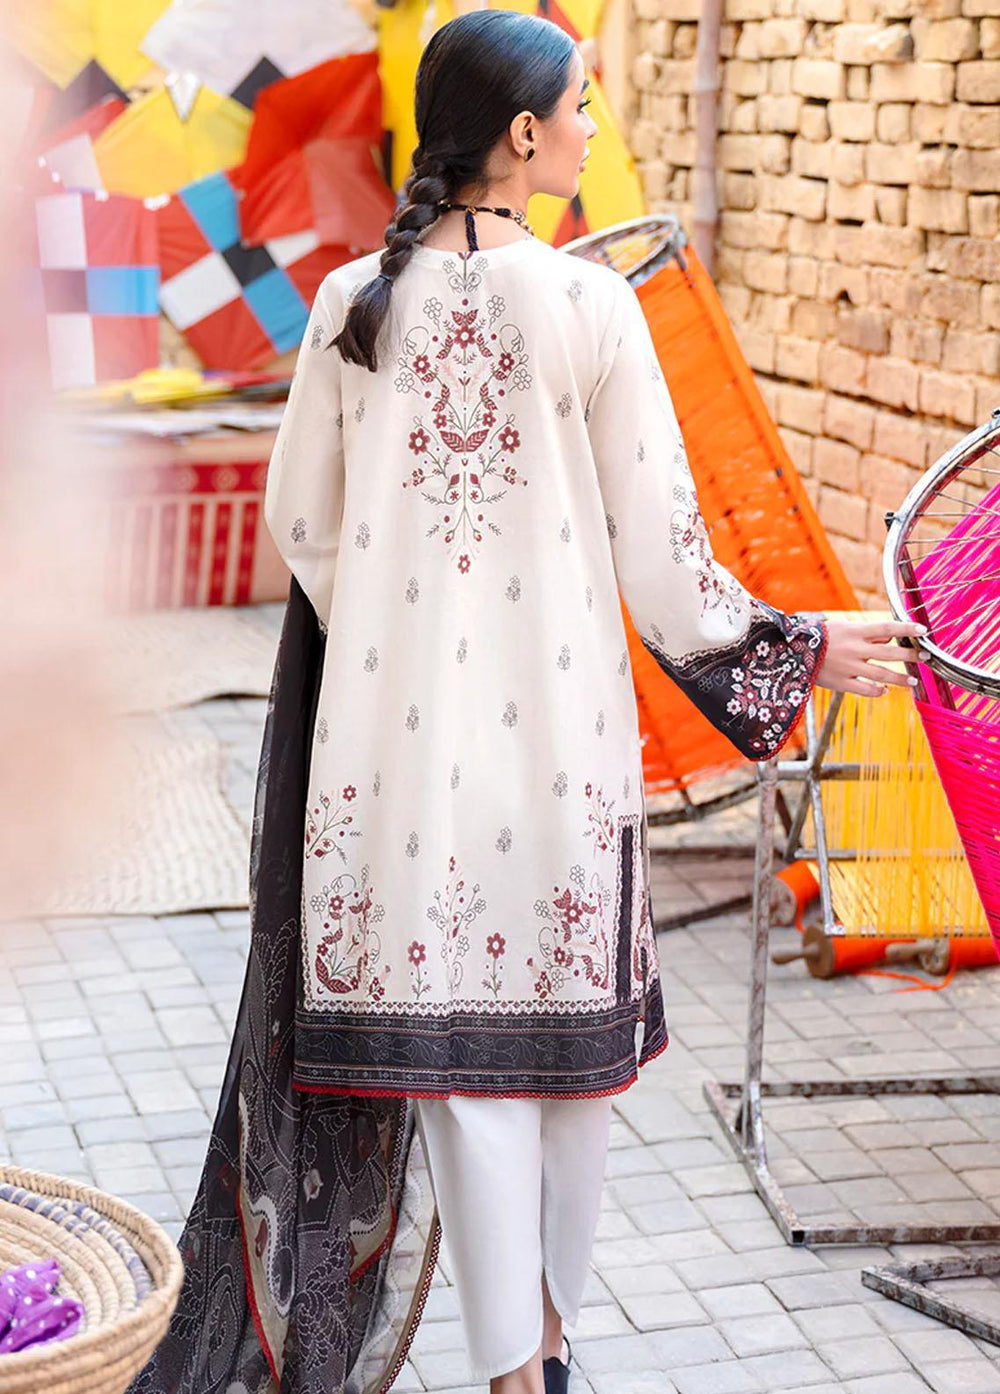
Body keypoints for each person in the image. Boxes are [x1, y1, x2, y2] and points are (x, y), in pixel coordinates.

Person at [127, 12, 924, 1394]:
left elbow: (301, 526)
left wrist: (405, 634)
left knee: (459, 1082)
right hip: (559, 749)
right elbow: (666, 566)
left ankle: (515, 1368)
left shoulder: (352, 307)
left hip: (392, 761)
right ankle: (543, 1352)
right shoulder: (589, 307)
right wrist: (802, 646)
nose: (595, 127)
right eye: (582, 106)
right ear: (521, 133)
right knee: (567, 1073)